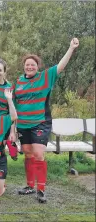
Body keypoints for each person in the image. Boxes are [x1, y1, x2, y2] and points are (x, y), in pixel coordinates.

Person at [15, 38, 79, 203]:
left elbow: (61, 65)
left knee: (38, 153)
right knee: (28, 153)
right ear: (24, 67)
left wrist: (71, 48)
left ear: (38, 67)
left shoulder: (45, 77)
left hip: (40, 122)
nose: (30, 67)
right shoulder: (19, 82)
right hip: (23, 124)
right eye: (27, 65)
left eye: (33, 65)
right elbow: (15, 104)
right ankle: (30, 186)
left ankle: (41, 189)